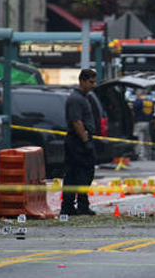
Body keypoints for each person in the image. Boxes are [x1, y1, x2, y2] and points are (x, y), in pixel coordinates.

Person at [61, 69, 98, 216]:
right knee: (81, 173)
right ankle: (79, 206)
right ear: (82, 81)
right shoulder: (76, 99)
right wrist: (85, 141)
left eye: (94, 81)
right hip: (77, 142)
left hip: (79, 140)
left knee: (76, 174)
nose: (93, 85)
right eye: (91, 82)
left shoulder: (83, 98)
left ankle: (70, 206)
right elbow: (76, 121)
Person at [131, 88, 153, 161]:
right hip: (148, 122)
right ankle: (148, 156)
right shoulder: (149, 101)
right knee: (147, 140)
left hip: (139, 122)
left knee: (140, 140)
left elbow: (133, 113)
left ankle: (141, 156)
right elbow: (152, 112)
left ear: (138, 94)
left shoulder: (137, 102)